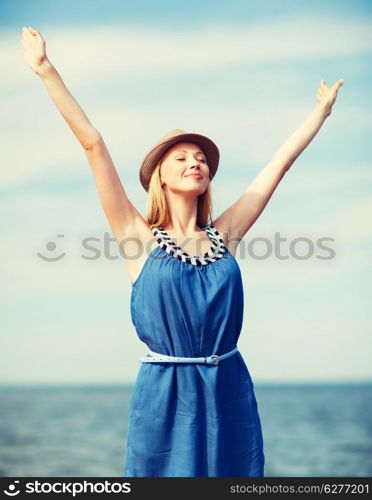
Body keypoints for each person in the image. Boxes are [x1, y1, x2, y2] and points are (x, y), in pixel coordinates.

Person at [20, 26, 344, 477]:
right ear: (161, 176)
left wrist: (320, 114)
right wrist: (45, 71)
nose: (197, 162)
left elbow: (279, 164)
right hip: (165, 394)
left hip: (228, 388)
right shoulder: (137, 236)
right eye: (183, 157)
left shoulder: (224, 234)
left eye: (202, 158)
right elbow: (93, 144)